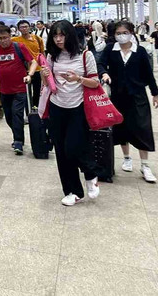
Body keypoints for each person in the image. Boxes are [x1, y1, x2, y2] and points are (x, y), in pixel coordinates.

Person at [40, 20, 100, 207]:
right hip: (57, 107)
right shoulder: (52, 56)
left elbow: (95, 82)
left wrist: (78, 78)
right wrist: (44, 75)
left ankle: (90, 173)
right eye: (55, 35)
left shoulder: (85, 55)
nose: (58, 39)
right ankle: (73, 191)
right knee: (61, 151)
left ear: (70, 36)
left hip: (78, 107)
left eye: (62, 35)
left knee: (73, 147)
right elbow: (46, 84)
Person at [97, 21, 158, 183]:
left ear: (131, 32)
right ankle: (126, 158)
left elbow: (148, 74)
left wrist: (155, 93)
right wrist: (104, 73)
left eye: (124, 32)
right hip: (117, 96)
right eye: (118, 33)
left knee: (142, 127)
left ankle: (145, 165)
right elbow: (100, 63)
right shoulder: (110, 49)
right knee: (121, 127)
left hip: (137, 95)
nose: (121, 36)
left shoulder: (140, 51)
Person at [0, 25, 38, 155]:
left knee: (17, 114)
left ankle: (18, 141)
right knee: (9, 117)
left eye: (5, 38)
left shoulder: (19, 47)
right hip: (4, 90)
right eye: (0, 38)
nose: (3, 41)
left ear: (10, 36)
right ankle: (18, 135)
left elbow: (33, 62)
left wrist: (30, 75)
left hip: (19, 89)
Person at [13, 20, 44, 109]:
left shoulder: (38, 39)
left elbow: (42, 53)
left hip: (37, 69)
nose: (24, 29)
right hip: (24, 69)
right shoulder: (15, 40)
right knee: (25, 91)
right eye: (22, 27)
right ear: (18, 29)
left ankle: (36, 108)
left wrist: (44, 66)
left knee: (37, 90)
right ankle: (28, 109)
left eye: (26, 26)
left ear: (29, 27)